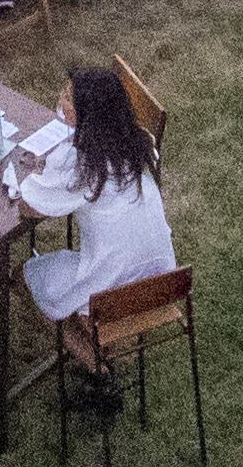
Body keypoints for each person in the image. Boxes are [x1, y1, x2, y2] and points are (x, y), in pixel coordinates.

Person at [16, 59, 178, 337]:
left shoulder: (79, 164)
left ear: (87, 115)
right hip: (163, 281)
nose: (60, 99)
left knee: (25, 274)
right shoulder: (142, 142)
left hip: (111, 292)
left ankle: (93, 362)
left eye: (68, 97)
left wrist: (38, 172)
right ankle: (91, 337)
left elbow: (27, 206)